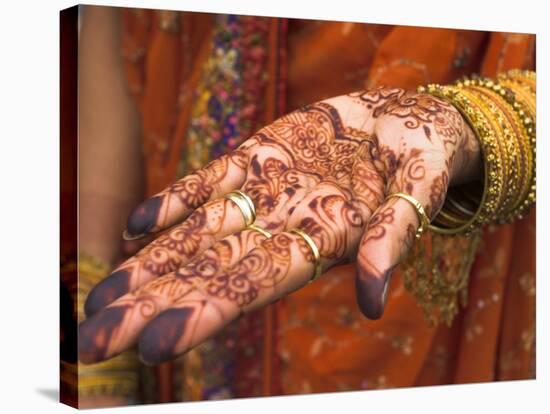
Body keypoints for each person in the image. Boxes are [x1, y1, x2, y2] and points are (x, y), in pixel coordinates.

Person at [69, 5, 536, 408]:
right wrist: (102, 371)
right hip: (200, 227)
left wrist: (483, 125)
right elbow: (120, 26)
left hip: (403, 319)